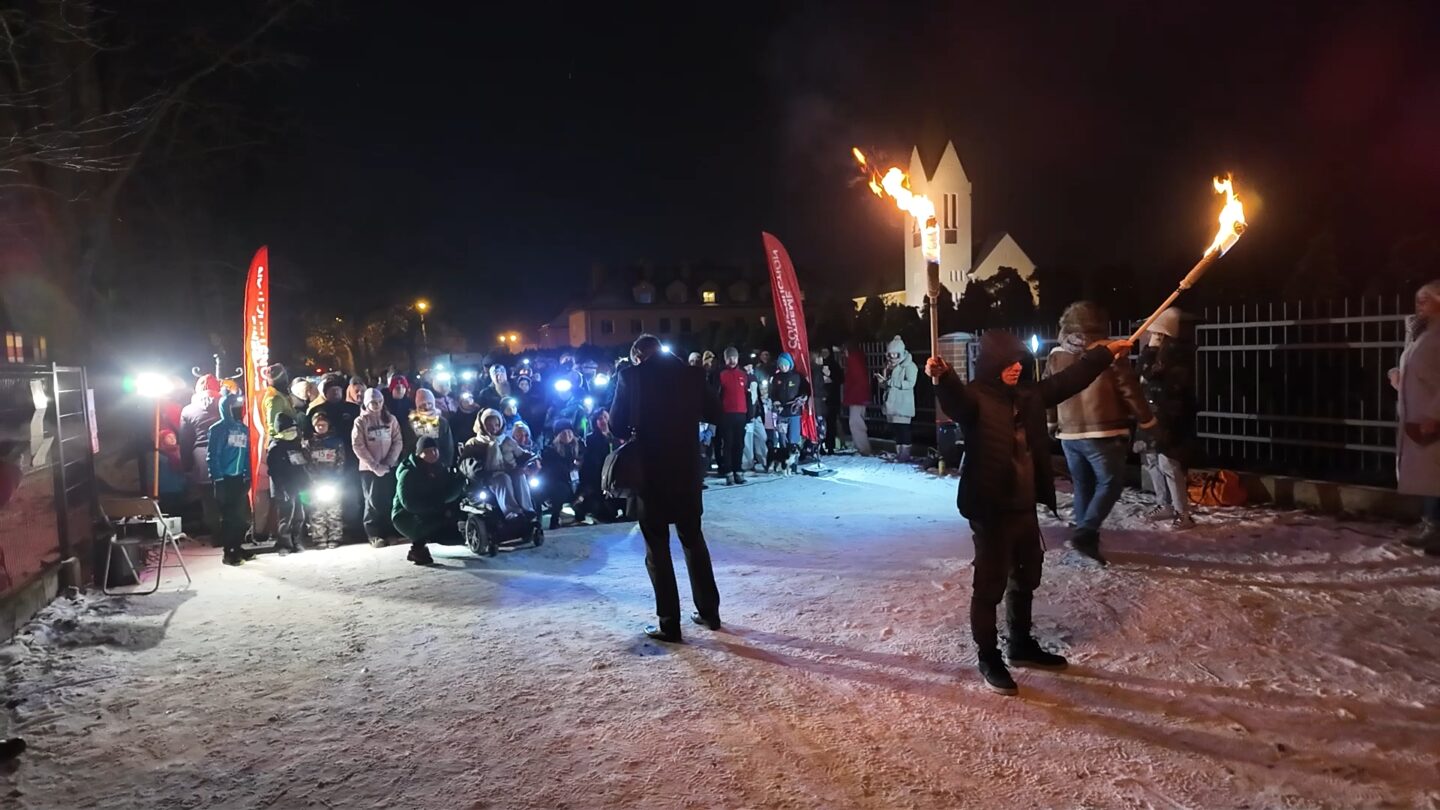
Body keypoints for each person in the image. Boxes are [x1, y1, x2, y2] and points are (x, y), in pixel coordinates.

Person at [929, 331, 1133, 696]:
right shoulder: (976, 397)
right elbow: (955, 401)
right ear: (992, 365)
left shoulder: (1030, 396)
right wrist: (943, 377)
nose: (1016, 368)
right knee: (989, 585)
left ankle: (1020, 644)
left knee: (1026, 576)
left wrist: (1105, 353)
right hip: (991, 508)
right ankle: (989, 656)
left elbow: (1070, 379)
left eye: (1020, 362)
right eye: (1008, 363)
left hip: (1024, 506)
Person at [611, 334, 722, 642]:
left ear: (637, 356)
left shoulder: (631, 376)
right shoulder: (692, 373)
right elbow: (716, 413)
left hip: (650, 474)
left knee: (657, 548)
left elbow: (617, 425)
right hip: (686, 471)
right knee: (693, 540)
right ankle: (710, 613)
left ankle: (669, 623)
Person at [1045, 301, 1156, 565]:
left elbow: (1050, 390)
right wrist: (1147, 421)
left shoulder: (1056, 355)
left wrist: (1051, 422)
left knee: (1083, 485)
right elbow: (1128, 389)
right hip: (1104, 430)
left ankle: (1087, 540)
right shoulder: (1110, 352)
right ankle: (1086, 532)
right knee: (1110, 484)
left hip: (1069, 433)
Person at [1390, 280, 1440, 555]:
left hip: (1432, 417)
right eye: (1417, 299)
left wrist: (1435, 414)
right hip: (1417, 415)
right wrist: (1395, 375)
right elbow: (1416, 366)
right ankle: (1430, 525)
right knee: (1429, 476)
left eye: (1425, 299)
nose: (1419, 303)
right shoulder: (1423, 333)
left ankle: (1435, 530)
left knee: (1435, 475)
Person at [1137, 307, 1196, 530]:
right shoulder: (1155, 354)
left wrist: (1151, 350)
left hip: (1167, 417)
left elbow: (1150, 374)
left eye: (1154, 333)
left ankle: (1182, 512)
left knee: (1168, 463)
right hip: (1151, 413)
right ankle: (1164, 504)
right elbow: (1141, 374)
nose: (1150, 337)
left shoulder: (1175, 355)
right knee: (1152, 460)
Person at [392, 436, 466, 565]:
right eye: (428, 450)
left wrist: (459, 479)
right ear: (419, 453)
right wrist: (436, 506)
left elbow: (448, 491)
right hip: (407, 516)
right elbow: (409, 503)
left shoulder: (440, 468)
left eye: (435, 449)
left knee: (454, 537)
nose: (433, 453)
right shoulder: (409, 473)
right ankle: (417, 548)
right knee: (426, 528)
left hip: (432, 509)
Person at [458, 408, 536, 519]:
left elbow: (521, 454)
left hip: (510, 471)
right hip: (489, 477)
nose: (493, 428)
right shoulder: (474, 443)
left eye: (496, 424)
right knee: (503, 478)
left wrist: (533, 459)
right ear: (482, 425)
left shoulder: (507, 440)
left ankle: (528, 509)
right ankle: (512, 513)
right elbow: (466, 463)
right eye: (489, 425)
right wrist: (480, 472)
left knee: (519, 476)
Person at [205, 390, 252, 566]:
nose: (236, 409)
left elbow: (246, 453)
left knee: (241, 517)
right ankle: (229, 552)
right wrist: (218, 479)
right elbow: (212, 456)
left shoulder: (243, 429)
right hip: (224, 479)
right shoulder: (217, 429)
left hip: (239, 477)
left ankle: (237, 547)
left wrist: (247, 474)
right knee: (229, 517)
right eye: (233, 406)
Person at [353, 387, 403, 546]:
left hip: (388, 466)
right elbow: (358, 445)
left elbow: (397, 441)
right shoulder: (361, 421)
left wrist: (389, 462)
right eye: (373, 402)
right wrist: (374, 465)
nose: (377, 405)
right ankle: (374, 534)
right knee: (373, 501)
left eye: (380, 401)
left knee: (389, 499)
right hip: (369, 469)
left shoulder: (391, 419)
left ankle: (390, 531)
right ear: (367, 403)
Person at [179, 374, 224, 536]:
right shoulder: (225, 404)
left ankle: (216, 535)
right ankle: (233, 533)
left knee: (208, 499)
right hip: (227, 457)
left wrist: (186, 466)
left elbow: (185, 440)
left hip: (202, 458)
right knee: (229, 496)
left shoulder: (188, 411)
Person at [266, 412, 310, 554]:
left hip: (298, 486)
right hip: (284, 488)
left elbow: (302, 464)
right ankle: (284, 544)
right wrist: (281, 488)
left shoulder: (296, 444)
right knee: (286, 516)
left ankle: (296, 541)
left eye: (293, 430)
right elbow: (274, 471)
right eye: (288, 431)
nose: (292, 433)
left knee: (300, 515)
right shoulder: (275, 448)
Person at [305, 411, 347, 549]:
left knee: (334, 510)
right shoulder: (309, 443)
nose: (321, 427)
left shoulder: (336, 442)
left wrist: (336, 478)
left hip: (333, 481)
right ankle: (319, 538)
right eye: (318, 425)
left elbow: (341, 461)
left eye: (323, 425)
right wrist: (314, 478)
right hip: (316, 482)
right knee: (317, 511)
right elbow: (306, 463)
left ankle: (335, 537)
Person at [578, 408, 625, 523]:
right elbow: (590, 463)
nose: (603, 420)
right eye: (600, 418)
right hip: (599, 476)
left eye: (605, 417)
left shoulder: (618, 436)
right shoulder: (591, 439)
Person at [768, 352, 810, 471]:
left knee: (793, 439)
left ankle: (793, 465)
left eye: (785, 365)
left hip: (794, 412)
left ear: (790, 364)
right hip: (781, 413)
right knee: (782, 438)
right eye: (781, 365)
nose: (783, 367)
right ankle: (783, 463)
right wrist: (775, 401)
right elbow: (772, 393)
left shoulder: (797, 376)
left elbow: (806, 390)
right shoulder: (776, 378)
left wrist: (803, 398)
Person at [879, 336, 918, 462]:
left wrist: (892, 382)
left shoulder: (910, 366)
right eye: (891, 354)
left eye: (895, 354)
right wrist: (883, 382)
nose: (893, 357)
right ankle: (899, 453)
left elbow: (910, 383)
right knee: (897, 430)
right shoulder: (888, 367)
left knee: (904, 430)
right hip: (892, 404)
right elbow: (887, 385)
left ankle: (905, 454)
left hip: (903, 404)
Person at [541, 419, 584, 529]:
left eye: (569, 432)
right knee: (560, 490)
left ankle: (580, 509)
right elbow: (551, 472)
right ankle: (555, 517)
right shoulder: (550, 451)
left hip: (578, 482)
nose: (567, 435)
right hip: (561, 483)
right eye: (563, 433)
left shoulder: (580, 446)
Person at [717, 347, 751, 484]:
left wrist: (749, 414)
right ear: (725, 359)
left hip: (741, 414)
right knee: (728, 444)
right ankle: (729, 472)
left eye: (734, 358)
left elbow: (748, 395)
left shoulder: (743, 374)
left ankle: (738, 470)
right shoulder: (721, 374)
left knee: (739, 444)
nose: (732, 360)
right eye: (729, 358)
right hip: (726, 414)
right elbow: (717, 395)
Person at [409, 388, 455, 469]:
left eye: (429, 403)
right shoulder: (413, 422)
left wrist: (447, 463)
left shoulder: (442, 422)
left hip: (439, 465)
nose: (426, 407)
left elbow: (448, 445)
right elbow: (410, 445)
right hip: (419, 466)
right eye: (423, 404)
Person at [843, 339, 873, 455]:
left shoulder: (853, 361)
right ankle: (862, 447)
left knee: (855, 423)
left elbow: (856, 381)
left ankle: (863, 448)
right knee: (858, 422)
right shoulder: (857, 359)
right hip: (860, 397)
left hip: (856, 397)